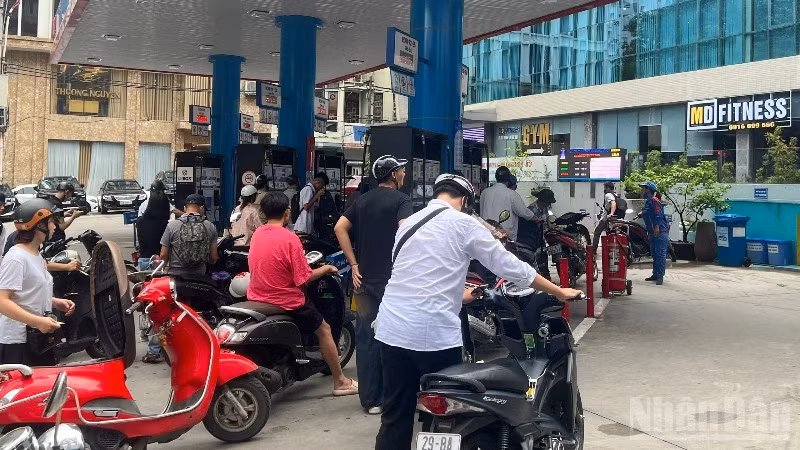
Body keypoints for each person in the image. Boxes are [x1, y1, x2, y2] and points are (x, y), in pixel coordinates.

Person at [374, 174, 583, 449]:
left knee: (395, 415)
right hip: (433, 337)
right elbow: (508, 265)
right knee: (450, 415)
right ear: (463, 200)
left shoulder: (408, 224)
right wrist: (558, 291)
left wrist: (464, 295)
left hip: (391, 332)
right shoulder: (463, 223)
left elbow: (415, 279)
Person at [248, 191, 359, 396]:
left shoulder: (258, 233)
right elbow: (304, 279)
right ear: (287, 213)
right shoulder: (290, 239)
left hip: (257, 297)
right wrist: (327, 269)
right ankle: (340, 381)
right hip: (286, 300)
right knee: (324, 329)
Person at [334, 155, 413, 415]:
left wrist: (354, 264)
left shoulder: (362, 200)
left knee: (367, 336)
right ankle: (395, 396)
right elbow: (406, 231)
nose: (403, 174)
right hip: (394, 281)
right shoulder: (402, 201)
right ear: (393, 175)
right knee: (397, 336)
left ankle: (371, 400)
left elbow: (339, 228)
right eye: (401, 171)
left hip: (364, 281)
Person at [0, 199, 75, 365]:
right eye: (50, 221)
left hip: (38, 337)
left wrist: (55, 302)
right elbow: (2, 301)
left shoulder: (36, 255)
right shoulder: (16, 258)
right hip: (18, 343)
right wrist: (38, 321)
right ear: (38, 225)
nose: (55, 226)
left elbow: (28, 293)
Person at [159, 194, 218, 277]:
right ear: (202, 208)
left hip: (176, 275)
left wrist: (164, 270)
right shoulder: (210, 226)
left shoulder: (172, 225)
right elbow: (213, 257)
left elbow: (163, 254)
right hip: (199, 275)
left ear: (184, 208)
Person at [479, 166, 536, 241]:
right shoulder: (511, 194)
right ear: (509, 179)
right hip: (504, 238)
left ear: (496, 177)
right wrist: (537, 219)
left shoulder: (484, 192)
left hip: (485, 236)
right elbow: (523, 212)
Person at [137, 180, 183, 271]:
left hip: (143, 261)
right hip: (159, 263)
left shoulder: (140, 220)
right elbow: (164, 252)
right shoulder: (167, 226)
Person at [518, 188, 557, 280]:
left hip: (541, 237)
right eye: (547, 202)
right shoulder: (531, 210)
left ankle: (546, 277)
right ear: (542, 201)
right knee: (536, 260)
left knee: (544, 257)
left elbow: (546, 220)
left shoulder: (545, 208)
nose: (548, 205)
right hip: (531, 239)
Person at [640, 181, 669, 285]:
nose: (642, 190)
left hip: (659, 231)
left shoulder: (654, 200)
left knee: (660, 254)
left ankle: (660, 276)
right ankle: (655, 274)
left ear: (648, 190)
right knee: (655, 254)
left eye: (644, 188)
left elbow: (658, 214)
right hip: (652, 231)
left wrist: (656, 226)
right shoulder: (648, 201)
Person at [592, 181, 618, 250]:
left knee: (597, 232)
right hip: (614, 218)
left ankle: (593, 251)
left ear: (608, 188)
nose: (604, 189)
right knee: (609, 234)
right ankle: (609, 250)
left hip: (606, 219)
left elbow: (613, 203)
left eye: (605, 188)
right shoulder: (615, 194)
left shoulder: (608, 195)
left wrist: (611, 213)